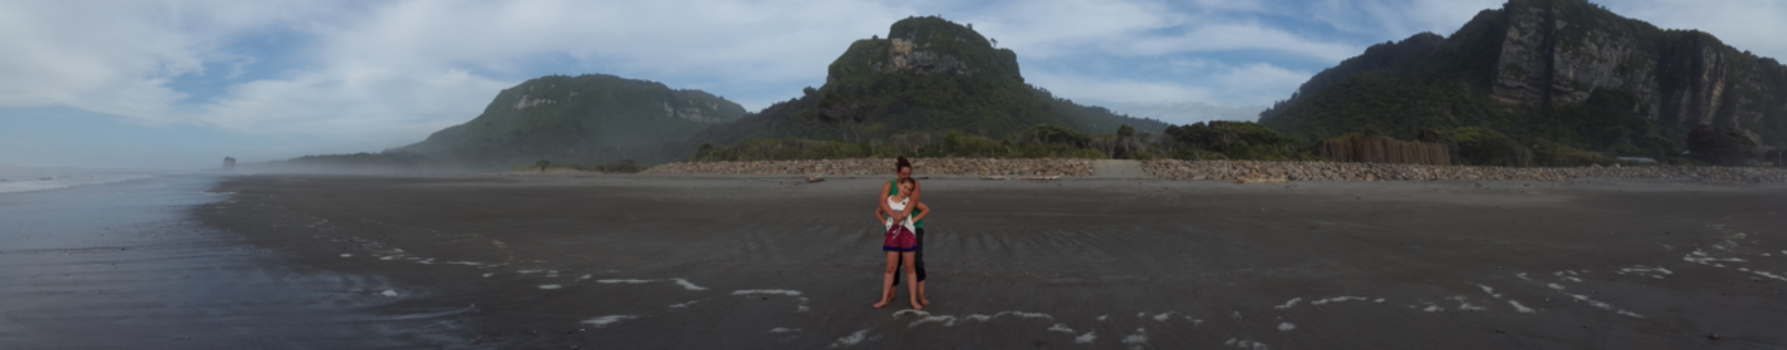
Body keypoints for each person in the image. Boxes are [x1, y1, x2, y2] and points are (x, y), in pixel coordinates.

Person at [878, 156, 931, 307]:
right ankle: (890, 294)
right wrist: (892, 220)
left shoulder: (914, 184)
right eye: (904, 174)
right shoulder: (889, 184)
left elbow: (914, 201)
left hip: (913, 228)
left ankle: (920, 297)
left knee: (916, 263)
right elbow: (882, 202)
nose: (907, 177)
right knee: (893, 263)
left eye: (909, 174)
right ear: (897, 173)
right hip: (893, 229)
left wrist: (904, 218)